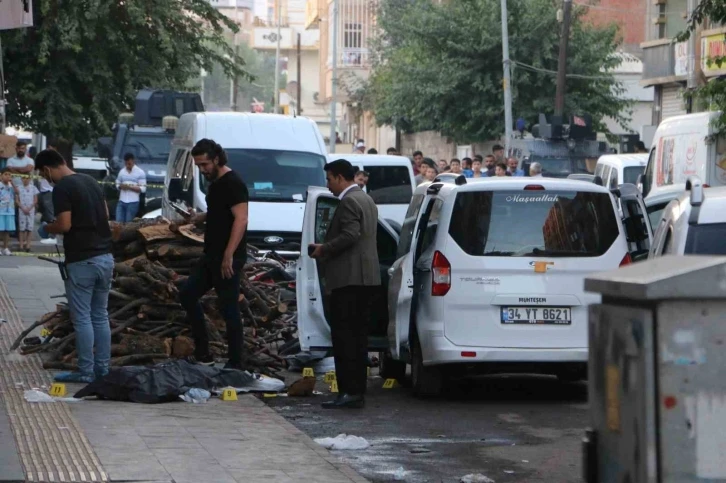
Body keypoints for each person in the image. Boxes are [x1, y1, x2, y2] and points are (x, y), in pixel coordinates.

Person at [35, 149, 114, 383]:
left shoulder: (62, 188)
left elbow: (65, 225)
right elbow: (106, 213)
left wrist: (48, 227)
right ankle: (103, 369)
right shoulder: (90, 181)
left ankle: (86, 371)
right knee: (100, 315)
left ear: (48, 169)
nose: (45, 178)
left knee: (82, 318)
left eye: (42, 173)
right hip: (105, 257)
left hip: (82, 260)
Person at [308, 159, 380, 409]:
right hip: (366, 278)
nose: (327, 185)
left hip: (349, 280)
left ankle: (349, 391)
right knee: (358, 339)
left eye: (329, 179)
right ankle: (355, 391)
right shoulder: (366, 199)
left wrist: (323, 249)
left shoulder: (349, 201)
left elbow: (351, 235)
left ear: (340, 177)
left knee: (345, 338)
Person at [179, 139, 249, 370]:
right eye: (198, 165)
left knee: (228, 308)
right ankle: (203, 353)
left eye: (205, 164)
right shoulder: (215, 184)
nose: (202, 169)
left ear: (217, 159)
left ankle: (235, 363)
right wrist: (199, 217)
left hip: (227, 257)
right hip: (211, 255)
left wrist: (229, 254)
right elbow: (219, 211)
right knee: (188, 294)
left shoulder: (233, 183)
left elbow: (241, 218)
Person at [115, 153, 147, 222]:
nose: (127, 166)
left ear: (133, 161)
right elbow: (117, 182)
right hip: (122, 201)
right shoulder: (122, 172)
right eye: (126, 164)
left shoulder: (140, 172)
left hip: (133, 202)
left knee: (128, 223)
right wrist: (120, 186)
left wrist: (129, 187)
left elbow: (143, 189)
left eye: (129, 164)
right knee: (118, 222)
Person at [17, 175, 38, 252]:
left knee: (30, 228)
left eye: (27, 178)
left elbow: (35, 200)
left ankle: (28, 245)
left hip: (30, 210)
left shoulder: (33, 188)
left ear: (30, 179)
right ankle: (21, 245)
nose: (25, 180)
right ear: (21, 179)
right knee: (22, 228)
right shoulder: (18, 188)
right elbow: (17, 200)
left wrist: (29, 208)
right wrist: (22, 208)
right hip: (22, 210)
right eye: (24, 178)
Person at [0, 170, 16, 255]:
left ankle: (5, 248)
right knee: (0, 230)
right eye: (6, 174)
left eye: (9, 174)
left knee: (7, 231)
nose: (8, 176)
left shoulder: (11, 186)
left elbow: (17, 192)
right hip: (1, 211)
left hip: (9, 210)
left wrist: (12, 183)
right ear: (1, 176)